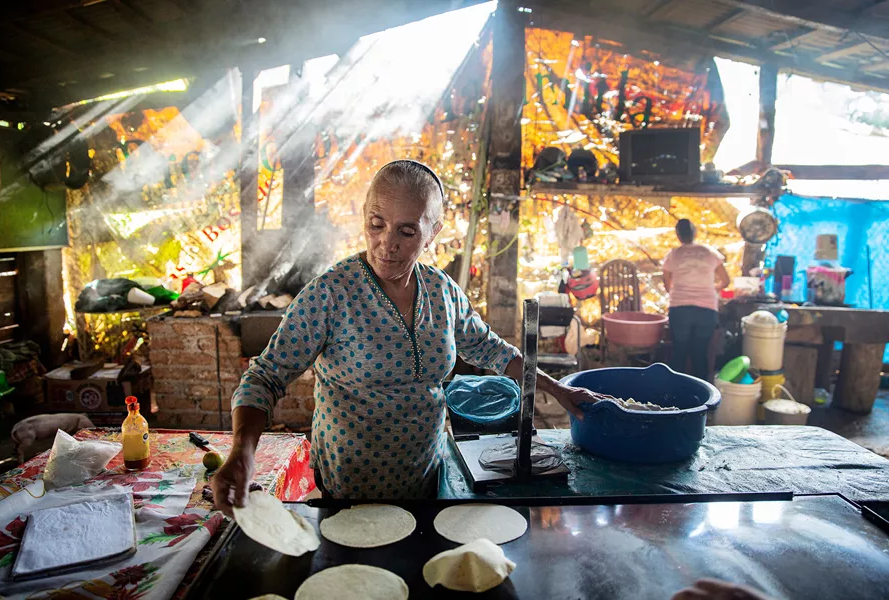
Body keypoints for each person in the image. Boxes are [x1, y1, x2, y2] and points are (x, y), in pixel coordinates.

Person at [213, 160, 595, 512]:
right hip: (349, 491)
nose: (387, 243)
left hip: (426, 480)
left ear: (432, 233)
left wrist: (558, 390)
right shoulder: (330, 294)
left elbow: (491, 349)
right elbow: (265, 376)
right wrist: (242, 454)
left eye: (407, 231)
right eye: (376, 224)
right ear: (364, 216)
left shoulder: (442, 291)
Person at [663, 219, 730, 381]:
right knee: (700, 353)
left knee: (679, 352)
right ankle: (702, 397)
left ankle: (673, 395)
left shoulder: (673, 254)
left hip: (680, 309)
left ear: (678, 235)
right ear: (695, 232)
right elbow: (726, 280)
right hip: (706, 309)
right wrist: (712, 289)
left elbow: (667, 284)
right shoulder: (709, 252)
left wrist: (680, 292)